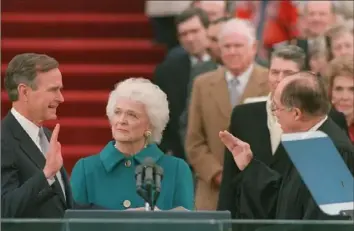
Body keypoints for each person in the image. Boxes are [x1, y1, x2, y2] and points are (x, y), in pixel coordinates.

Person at [217, 45, 349, 217]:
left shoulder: (329, 151)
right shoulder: (310, 140)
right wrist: (250, 166)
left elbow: (320, 225)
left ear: (296, 113)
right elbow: (285, 199)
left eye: (277, 108)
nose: (274, 115)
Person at [70, 78, 194, 211]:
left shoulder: (177, 169)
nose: (121, 121)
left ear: (150, 125)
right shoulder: (86, 169)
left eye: (132, 115)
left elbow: (187, 225)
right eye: (117, 112)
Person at [185, 18, 269, 210]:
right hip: (213, 192)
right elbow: (194, 141)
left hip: (259, 191)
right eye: (227, 46)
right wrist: (216, 174)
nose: (232, 51)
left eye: (238, 45)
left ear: (253, 47)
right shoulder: (202, 84)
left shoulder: (271, 81)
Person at [1, 53, 72, 219]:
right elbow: (4, 208)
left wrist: (120, 215)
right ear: (24, 92)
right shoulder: (3, 140)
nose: (61, 98)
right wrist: (46, 173)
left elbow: (62, 204)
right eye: (53, 90)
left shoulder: (45, 135)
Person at [153, 7, 210, 160]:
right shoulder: (167, 71)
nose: (190, 39)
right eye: (184, 34)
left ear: (208, 30)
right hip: (181, 153)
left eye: (195, 31)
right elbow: (162, 116)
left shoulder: (224, 64)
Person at [327, 56, 354, 143]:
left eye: (352, 89)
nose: (345, 97)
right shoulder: (318, 130)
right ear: (330, 93)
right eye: (339, 89)